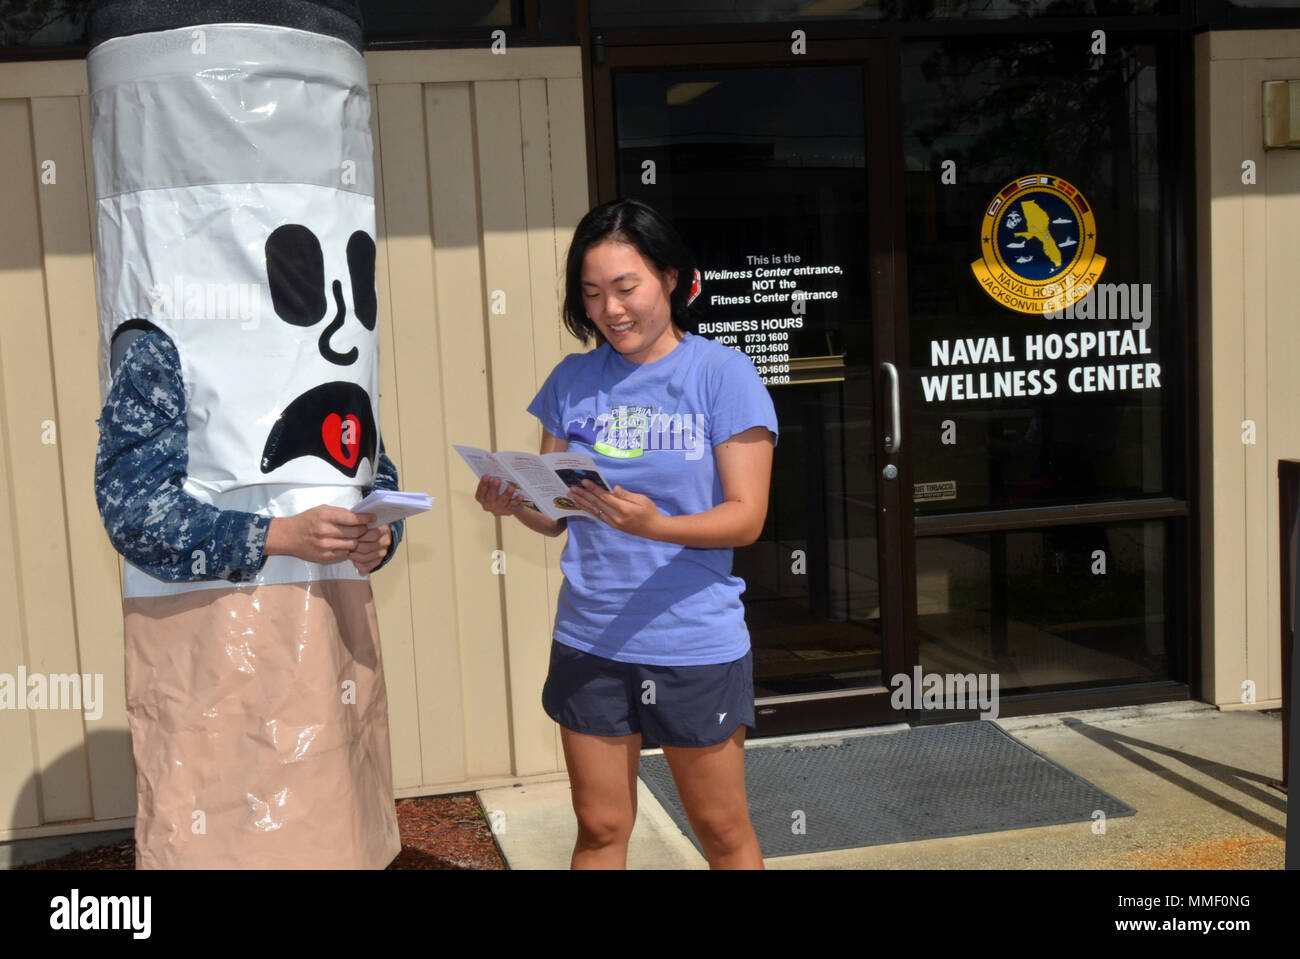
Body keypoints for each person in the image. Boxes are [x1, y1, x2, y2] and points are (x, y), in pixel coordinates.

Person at [475, 198, 777, 869]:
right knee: (601, 827)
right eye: (591, 293)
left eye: (625, 287)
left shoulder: (722, 374)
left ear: (670, 277)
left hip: (692, 639)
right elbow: (554, 513)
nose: (610, 310)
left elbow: (747, 514)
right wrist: (514, 498)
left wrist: (658, 524)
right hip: (591, 635)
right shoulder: (573, 380)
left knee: (722, 831)